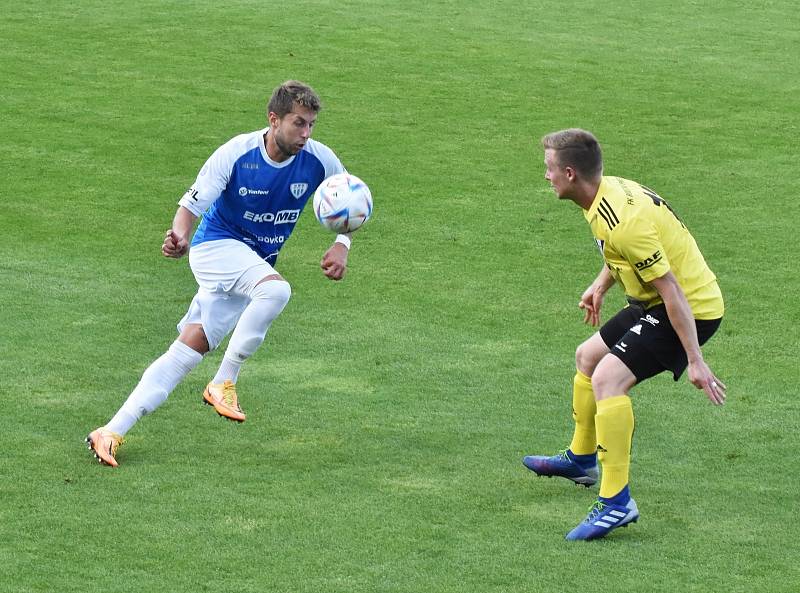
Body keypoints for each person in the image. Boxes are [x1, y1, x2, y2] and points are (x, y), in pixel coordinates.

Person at [87, 80, 355, 467]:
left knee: (185, 352)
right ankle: (223, 381)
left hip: (252, 265)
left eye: (312, 125)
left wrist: (341, 245)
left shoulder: (319, 159)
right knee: (276, 293)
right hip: (216, 248)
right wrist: (179, 236)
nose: (306, 134)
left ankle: (109, 431)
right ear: (273, 119)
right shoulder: (236, 153)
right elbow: (190, 205)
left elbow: (350, 199)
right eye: (299, 123)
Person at [523, 128, 726, 540]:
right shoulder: (605, 193)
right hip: (653, 302)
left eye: (548, 169)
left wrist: (695, 360)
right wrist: (601, 284)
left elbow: (671, 289)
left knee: (608, 380)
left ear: (570, 173)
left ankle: (616, 501)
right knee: (587, 357)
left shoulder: (623, 221)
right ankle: (582, 458)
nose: (545, 176)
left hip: (689, 310)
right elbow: (620, 253)